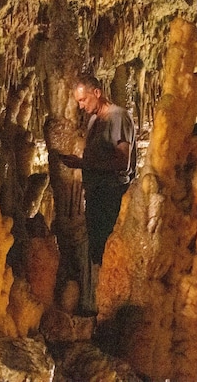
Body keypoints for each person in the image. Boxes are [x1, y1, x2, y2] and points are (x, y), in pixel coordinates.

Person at [56, 72, 136, 314]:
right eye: (78, 102)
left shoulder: (117, 118)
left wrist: (84, 165)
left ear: (97, 93)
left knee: (105, 249)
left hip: (112, 193)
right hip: (96, 193)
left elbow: (121, 160)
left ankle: (108, 307)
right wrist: (80, 162)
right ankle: (94, 302)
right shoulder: (94, 121)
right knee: (94, 249)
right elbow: (98, 158)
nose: (81, 106)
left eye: (83, 100)